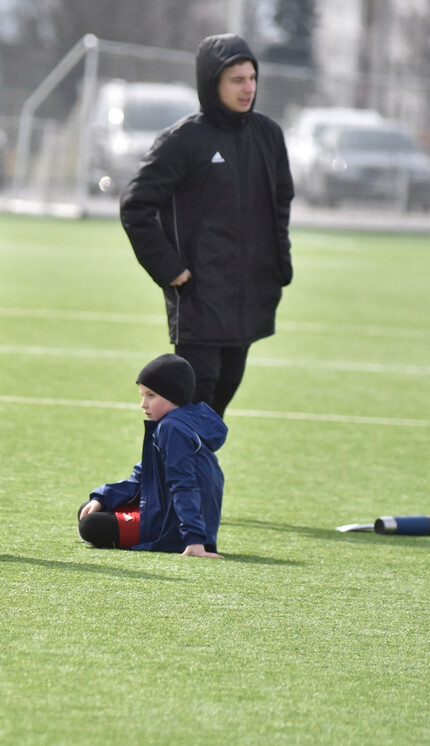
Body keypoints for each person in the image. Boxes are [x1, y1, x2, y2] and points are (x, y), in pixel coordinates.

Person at [119, 33, 294, 418]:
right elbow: (136, 206)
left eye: (252, 78)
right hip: (199, 298)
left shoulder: (269, 135)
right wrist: (171, 270)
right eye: (237, 80)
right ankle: (167, 479)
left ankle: (188, 478)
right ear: (212, 83)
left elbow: (281, 201)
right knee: (193, 406)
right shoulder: (183, 140)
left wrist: (279, 263)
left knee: (215, 410)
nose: (248, 88)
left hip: (250, 299)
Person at [77, 354, 227, 558]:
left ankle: (183, 538)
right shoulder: (177, 422)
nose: (143, 404)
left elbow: (184, 485)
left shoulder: (172, 429)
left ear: (173, 396)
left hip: (175, 527)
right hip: (169, 512)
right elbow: (141, 476)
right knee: (89, 508)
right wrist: (103, 497)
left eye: (151, 395)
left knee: (90, 525)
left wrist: (194, 540)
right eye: (142, 395)